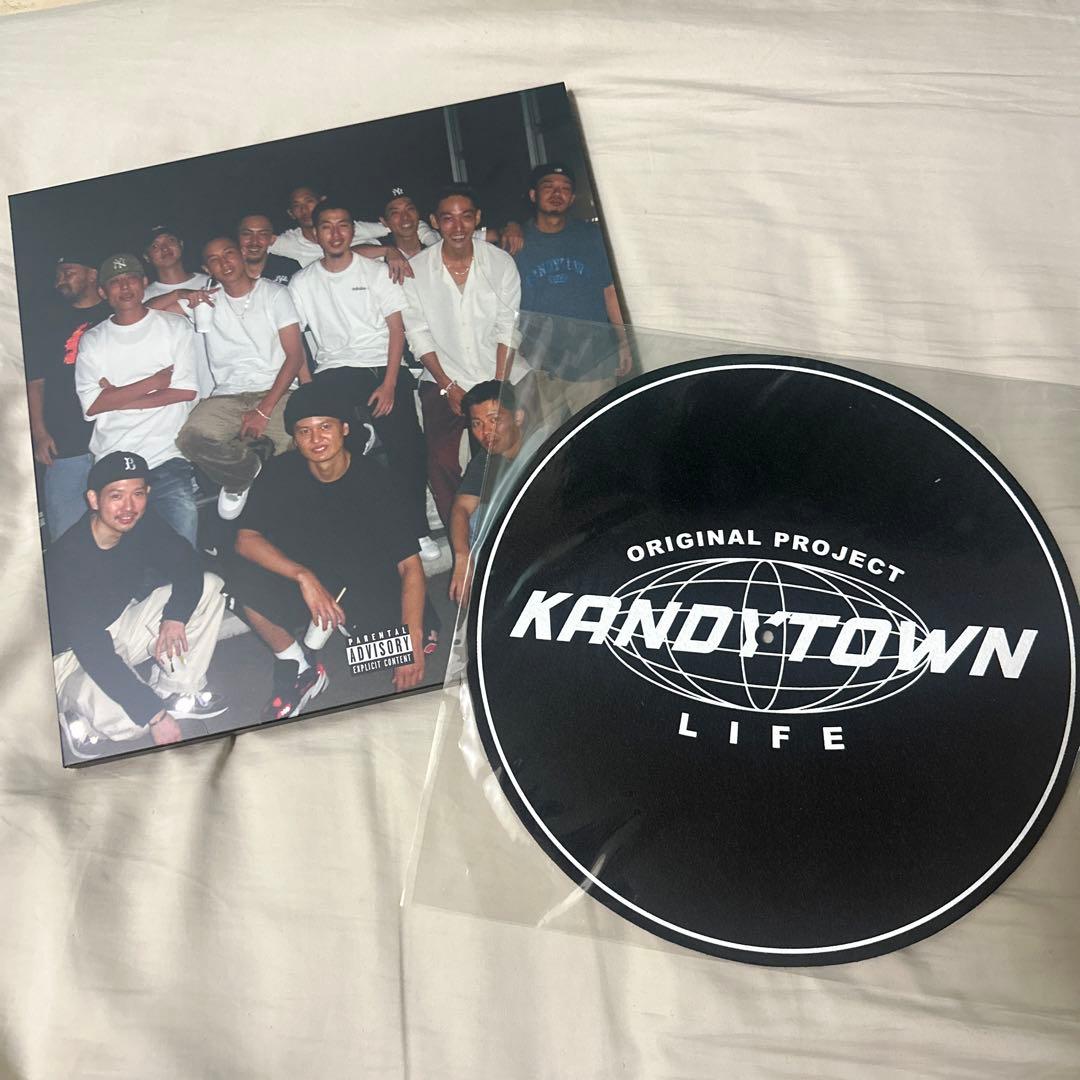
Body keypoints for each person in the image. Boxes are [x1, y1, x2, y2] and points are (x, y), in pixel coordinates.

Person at [230, 383, 427, 720]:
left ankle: (340, 631)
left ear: (344, 429)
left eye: (325, 427)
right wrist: (303, 576)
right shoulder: (280, 471)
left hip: (364, 581)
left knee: (387, 655)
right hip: (311, 578)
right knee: (238, 579)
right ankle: (299, 664)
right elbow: (245, 539)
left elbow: (410, 566)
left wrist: (411, 638)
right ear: (295, 438)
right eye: (304, 431)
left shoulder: (376, 479)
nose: (316, 439)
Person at [46, 451, 227, 759]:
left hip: (118, 624)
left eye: (138, 494)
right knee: (135, 721)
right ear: (94, 499)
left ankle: (176, 689)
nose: (129, 507)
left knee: (209, 587)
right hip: (70, 656)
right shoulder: (68, 558)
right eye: (116, 496)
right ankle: (73, 707)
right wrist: (154, 714)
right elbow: (91, 647)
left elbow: (187, 563)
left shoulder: (141, 523)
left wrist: (175, 617)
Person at [288, 199, 436, 560]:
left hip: (383, 367)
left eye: (343, 225)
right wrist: (309, 389)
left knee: (409, 447)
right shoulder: (303, 281)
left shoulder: (375, 272)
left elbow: (397, 329)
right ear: (316, 234)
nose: (335, 233)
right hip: (335, 371)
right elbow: (296, 341)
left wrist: (389, 384)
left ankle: (417, 531)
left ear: (353, 231)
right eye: (327, 226)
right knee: (339, 449)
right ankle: (355, 532)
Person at [402, 183, 522, 527]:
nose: (458, 227)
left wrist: (498, 388)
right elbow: (417, 333)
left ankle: (516, 523)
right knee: (443, 459)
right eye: (448, 218)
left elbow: (508, 326)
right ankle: (465, 533)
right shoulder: (416, 270)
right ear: (434, 221)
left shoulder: (500, 262)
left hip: (499, 371)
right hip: (444, 375)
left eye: (466, 217)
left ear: (477, 218)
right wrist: (448, 386)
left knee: (520, 448)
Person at [170, 236, 307, 519]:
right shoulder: (206, 301)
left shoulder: (275, 294)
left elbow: (295, 356)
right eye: (214, 259)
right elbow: (147, 309)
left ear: (242, 254)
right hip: (228, 395)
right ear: (207, 269)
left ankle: (265, 499)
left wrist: (263, 410)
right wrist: (183, 294)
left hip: (277, 391)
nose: (224, 263)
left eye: (228, 253)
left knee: (295, 447)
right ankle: (241, 473)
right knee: (190, 439)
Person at [74, 253, 202, 547]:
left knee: (182, 550)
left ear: (144, 282)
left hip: (167, 456)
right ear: (103, 292)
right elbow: (91, 406)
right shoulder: (93, 340)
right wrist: (154, 383)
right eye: (115, 282)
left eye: (131, 278)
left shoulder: (175, 327)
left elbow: (185, 391)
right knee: (124, 557)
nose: (125, 286)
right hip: (113, 460)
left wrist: (116, 397)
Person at [513, 162, 632, 419]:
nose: (557, 193)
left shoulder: (592, 236)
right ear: (533, 194)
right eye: (548, 187)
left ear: (572, 198)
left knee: (597, 432)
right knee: (549, 438)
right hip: (541, 363)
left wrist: (624, 342)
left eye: (565, 188)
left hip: (593, 360)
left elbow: (610, 291)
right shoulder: (516, 242)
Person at [25, 250, 111, 542]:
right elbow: (35, 382)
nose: (59, 280)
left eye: (68, 273)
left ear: (92, 275)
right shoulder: (47, 323)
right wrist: (39, 434)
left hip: (114, 435)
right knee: (66, 534)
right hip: (65, 442)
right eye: (58, 275)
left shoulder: (115, 312)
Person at [448, 380, 542, 603]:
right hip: (521, 540)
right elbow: (461, 508)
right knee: (477, 520)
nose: (485, 432)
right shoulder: (485, 460)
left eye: (494, 420)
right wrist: (463, 558)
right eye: (477, 424)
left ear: (517, 417)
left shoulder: (543, 445)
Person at [270, 184, 433, 282]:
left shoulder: (354, 228)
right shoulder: (289, 242)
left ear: (322, 201)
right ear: (291, 213)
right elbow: (258, 243)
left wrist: (435, 243)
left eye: (309, 201)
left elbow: (405, 224)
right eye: (297, 206)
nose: (304, 209)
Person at [141, 224, 215, 396]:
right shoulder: (143, 296)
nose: (164, 248)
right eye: (155, 246)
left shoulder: (209, 283)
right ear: (147, 256)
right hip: (175, 384)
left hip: (217, 380)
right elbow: (139, 318)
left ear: (181, 244)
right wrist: (178, 294)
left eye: (170, 240)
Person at [236, 212, 302, 284]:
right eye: (247, 234)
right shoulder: (229, 270)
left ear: (272, 239)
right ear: (238, 237)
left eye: (262, 234)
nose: (254, 241)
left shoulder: (289, 268)